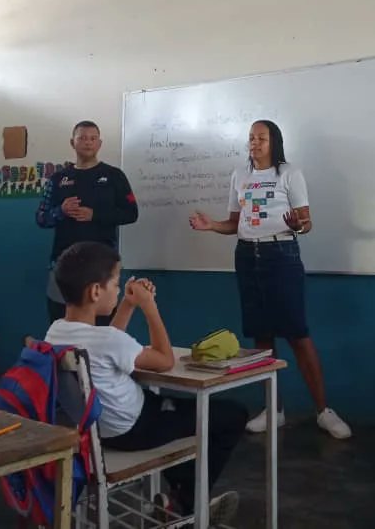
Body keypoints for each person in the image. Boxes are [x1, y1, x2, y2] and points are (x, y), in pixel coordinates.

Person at [44, 242, 246, 523]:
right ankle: (187, 503)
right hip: (133, 428)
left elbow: (109, 342)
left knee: (176, 413)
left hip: (94, 429)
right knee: (233, 414)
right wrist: (149, 306)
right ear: (95, 292)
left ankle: (178, 495)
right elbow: (164, 360)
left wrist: (127, 304)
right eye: (116, 284)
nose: (118, 290)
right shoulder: (107, 341)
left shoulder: (55, 332)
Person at [189, 119, 352, 439]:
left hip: (281, 254)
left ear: (274, 141)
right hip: (247, 255)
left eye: (261, 138)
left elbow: (306, 223)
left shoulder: (289, 173)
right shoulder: (240, 175)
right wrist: (212, 226)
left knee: (297, 333)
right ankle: (273, 410)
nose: (254, 143)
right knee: (261, 335)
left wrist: (296, 224)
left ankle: (323, 411)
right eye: (251, 138)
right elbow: (235, 223)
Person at [36, 120, 139, 324]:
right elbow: (41, 218)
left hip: (102, 266)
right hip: (63, 265)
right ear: (72, 142)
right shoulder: (58, 179)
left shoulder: (114, 176)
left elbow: (131, 213)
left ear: (99, 143)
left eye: (93, 138)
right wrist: (60, 211)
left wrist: (95, 215)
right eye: (82, 138)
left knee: (102, 328)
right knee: (62, 325)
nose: (88, 142)